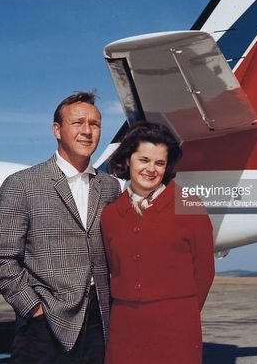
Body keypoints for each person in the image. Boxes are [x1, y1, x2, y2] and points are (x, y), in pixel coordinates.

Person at [0, 91, 120, 364]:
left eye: (95, 124)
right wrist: (33, 308)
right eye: (78, 123)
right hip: (44, 326)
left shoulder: (109, 186)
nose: (87, 131)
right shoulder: (22, 184)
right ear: (57, 130)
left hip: (98, 323)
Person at [101, 121, 215, 364]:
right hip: (125, 329)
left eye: (159, 163)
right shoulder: (110, 215)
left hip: (176, 328)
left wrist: (184, 315)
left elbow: (204, 270)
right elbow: (114, 267)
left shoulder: (189, 204)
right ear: (128, 159)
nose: (151, 169)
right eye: (144, 160)